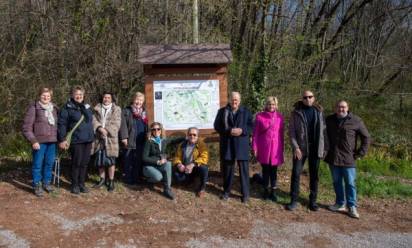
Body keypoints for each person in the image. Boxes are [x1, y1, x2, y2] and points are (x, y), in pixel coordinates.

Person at [325, 100, 370, 219]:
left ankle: (352, 206)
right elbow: (322, 135)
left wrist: (360, 153)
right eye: (339, 107)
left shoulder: (356, 120)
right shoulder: (329, 120)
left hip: (349, 158)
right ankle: (340, 203)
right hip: (333, 157)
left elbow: (366, 137)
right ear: (335, 108)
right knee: (336, 182)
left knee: (350, 183)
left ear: (347, 108)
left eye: (343, 107)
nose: (341, 109)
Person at [287, 90, 327, 211]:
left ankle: (313, 201)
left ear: (313, 98)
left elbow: (324, 132)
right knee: (296, 173)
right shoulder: (296, 112)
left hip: (315, 148)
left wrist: (325, 147)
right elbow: (291, 132)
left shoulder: (319, 112)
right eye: (305, 97)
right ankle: (293, 200)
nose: (308, 99)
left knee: (314, 175)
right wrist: (296, 147)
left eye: (310, 97)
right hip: (301, 149)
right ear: (302, 99)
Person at [214, 91, 253, 203]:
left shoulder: (246, 112)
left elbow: (251, 126)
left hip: (242, 145)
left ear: (239, 101)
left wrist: (242, 130)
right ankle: (226, 192)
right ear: (229, 100)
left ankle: (245, 195)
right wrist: (229, 130)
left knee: (244, 171)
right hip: (228, 145)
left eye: (236, 99)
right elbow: (217, 126)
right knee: (228, 171)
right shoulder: (222, 112)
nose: (234, 101)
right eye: (232, 99)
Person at [22, 87, 58, 197]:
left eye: (48, 96)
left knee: (49, 163)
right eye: (43, 95)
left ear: (51, 97)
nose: (46, 97)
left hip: (52, 141)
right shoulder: (34, 108)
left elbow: (58, 125)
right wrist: (33, 141)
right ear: (39, 95)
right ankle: (37, 184)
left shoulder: (54, 109)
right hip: (39, 142)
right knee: (37, 164)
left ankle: (46, 183)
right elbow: (26, 127)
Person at [58, 86, 94, 195]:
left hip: (88, 139)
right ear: (72, 95)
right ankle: (74, 185)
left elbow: (90, 120)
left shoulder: (87, 107)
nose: (79, 96)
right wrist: (62, 139)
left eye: (81, 95)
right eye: (77, 94)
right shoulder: (67, 108)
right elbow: (62, 125)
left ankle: (82, 184)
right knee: (76, 163)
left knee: (84, 163)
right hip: (76, 140)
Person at [252, 96, 284, 202]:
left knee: (274, 171)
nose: (271, 106)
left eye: (273, 104)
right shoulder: (259, 117)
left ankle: (273, 192)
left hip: (275, 149)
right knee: (265, 170)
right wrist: (254, 147)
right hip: (264, 148)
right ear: (266, 105)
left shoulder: (280, 117)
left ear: (276, 105)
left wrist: (281, 149)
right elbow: (255, 133)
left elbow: (281, 134)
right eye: (270, 104)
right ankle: (265, 191)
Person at [142, 122, 184, 200]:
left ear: (161, 130)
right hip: (149, 166)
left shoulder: (163, 140)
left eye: (158, 129)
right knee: (158, 177)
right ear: (151, 131)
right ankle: (148, 181)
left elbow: (174, 140)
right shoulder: (149, 141)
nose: (156, 131)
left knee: (168, 163)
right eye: (154, 129)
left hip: (159, 166)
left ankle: (167, 189)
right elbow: (144, 158)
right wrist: (157, 161)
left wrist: (186, 138)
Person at [92, 92, 122, 192]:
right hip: (98, 137)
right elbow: (94, 120)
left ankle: (111, 181)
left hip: (111, 138)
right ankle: (102, 179)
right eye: (105, 97)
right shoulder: (96, 108)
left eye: (108, 97)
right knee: (100, 160)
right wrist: (100, 128)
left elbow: (117, 123)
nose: (106, 99)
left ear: (112, 99)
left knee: (111, 160)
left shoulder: (116, 109)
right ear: (102, 98)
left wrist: (107, 131)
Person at [119, 92, 148, 185]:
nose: (138, 102)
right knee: (128, 159)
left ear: (143, 102)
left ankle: (136, 178)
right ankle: (128, 178)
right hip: (130, 139)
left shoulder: (144, 112)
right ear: (133, 100)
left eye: (140, 100)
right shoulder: (126, 111)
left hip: (141, 140)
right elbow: (122, 125)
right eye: (137, 99)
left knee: (138, 160)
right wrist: (124, 137)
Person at [173, 127, 209, 197]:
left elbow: (204, 158)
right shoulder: (182, 145)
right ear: (187, 135)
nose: (192, 136)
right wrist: (179, 164)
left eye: (194, 135)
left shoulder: (201, 144)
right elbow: (177, 157)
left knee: (204, 168)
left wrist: (193, 164)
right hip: (185, 168)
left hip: (196, 168)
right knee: (178, 177)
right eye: (190, 134)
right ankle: (191, 181)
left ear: (197, 136)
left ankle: (202, 189)